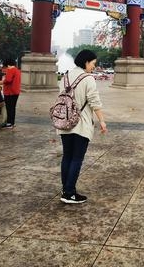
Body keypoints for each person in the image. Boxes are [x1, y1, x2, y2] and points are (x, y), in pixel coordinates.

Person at [58, 49, 107, 204]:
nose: (94, 66)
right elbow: (94, 102)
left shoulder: (65, 77)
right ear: (86, 62)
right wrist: (102, 121)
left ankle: (65, 188)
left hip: (64, 123)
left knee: (67, 156)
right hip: (81, 124)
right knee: (76, 159)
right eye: (93, 63)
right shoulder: (88, 79)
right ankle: (70, 193)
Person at [0, 57, 21, 128]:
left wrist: (1, 82)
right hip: (16, 92)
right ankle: (12, 123)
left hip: (9, 92)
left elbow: (8, 80)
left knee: (9, 108)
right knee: (13, 108)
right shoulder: (17, 70)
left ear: (7, 64)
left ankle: (9, 123)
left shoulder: (10, 70)